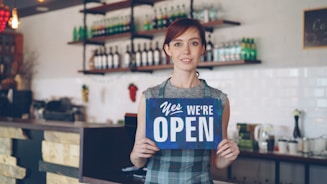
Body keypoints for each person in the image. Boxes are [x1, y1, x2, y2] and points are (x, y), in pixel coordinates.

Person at [130, 18, 239, 183]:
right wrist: (136, 154)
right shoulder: (150, 98)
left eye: (194, 43)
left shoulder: (218, 100)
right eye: (178, 44)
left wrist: (230, 154)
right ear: (168, 49)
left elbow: (219, 162)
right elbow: (138, 161)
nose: (186, 51)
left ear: (202, 48)